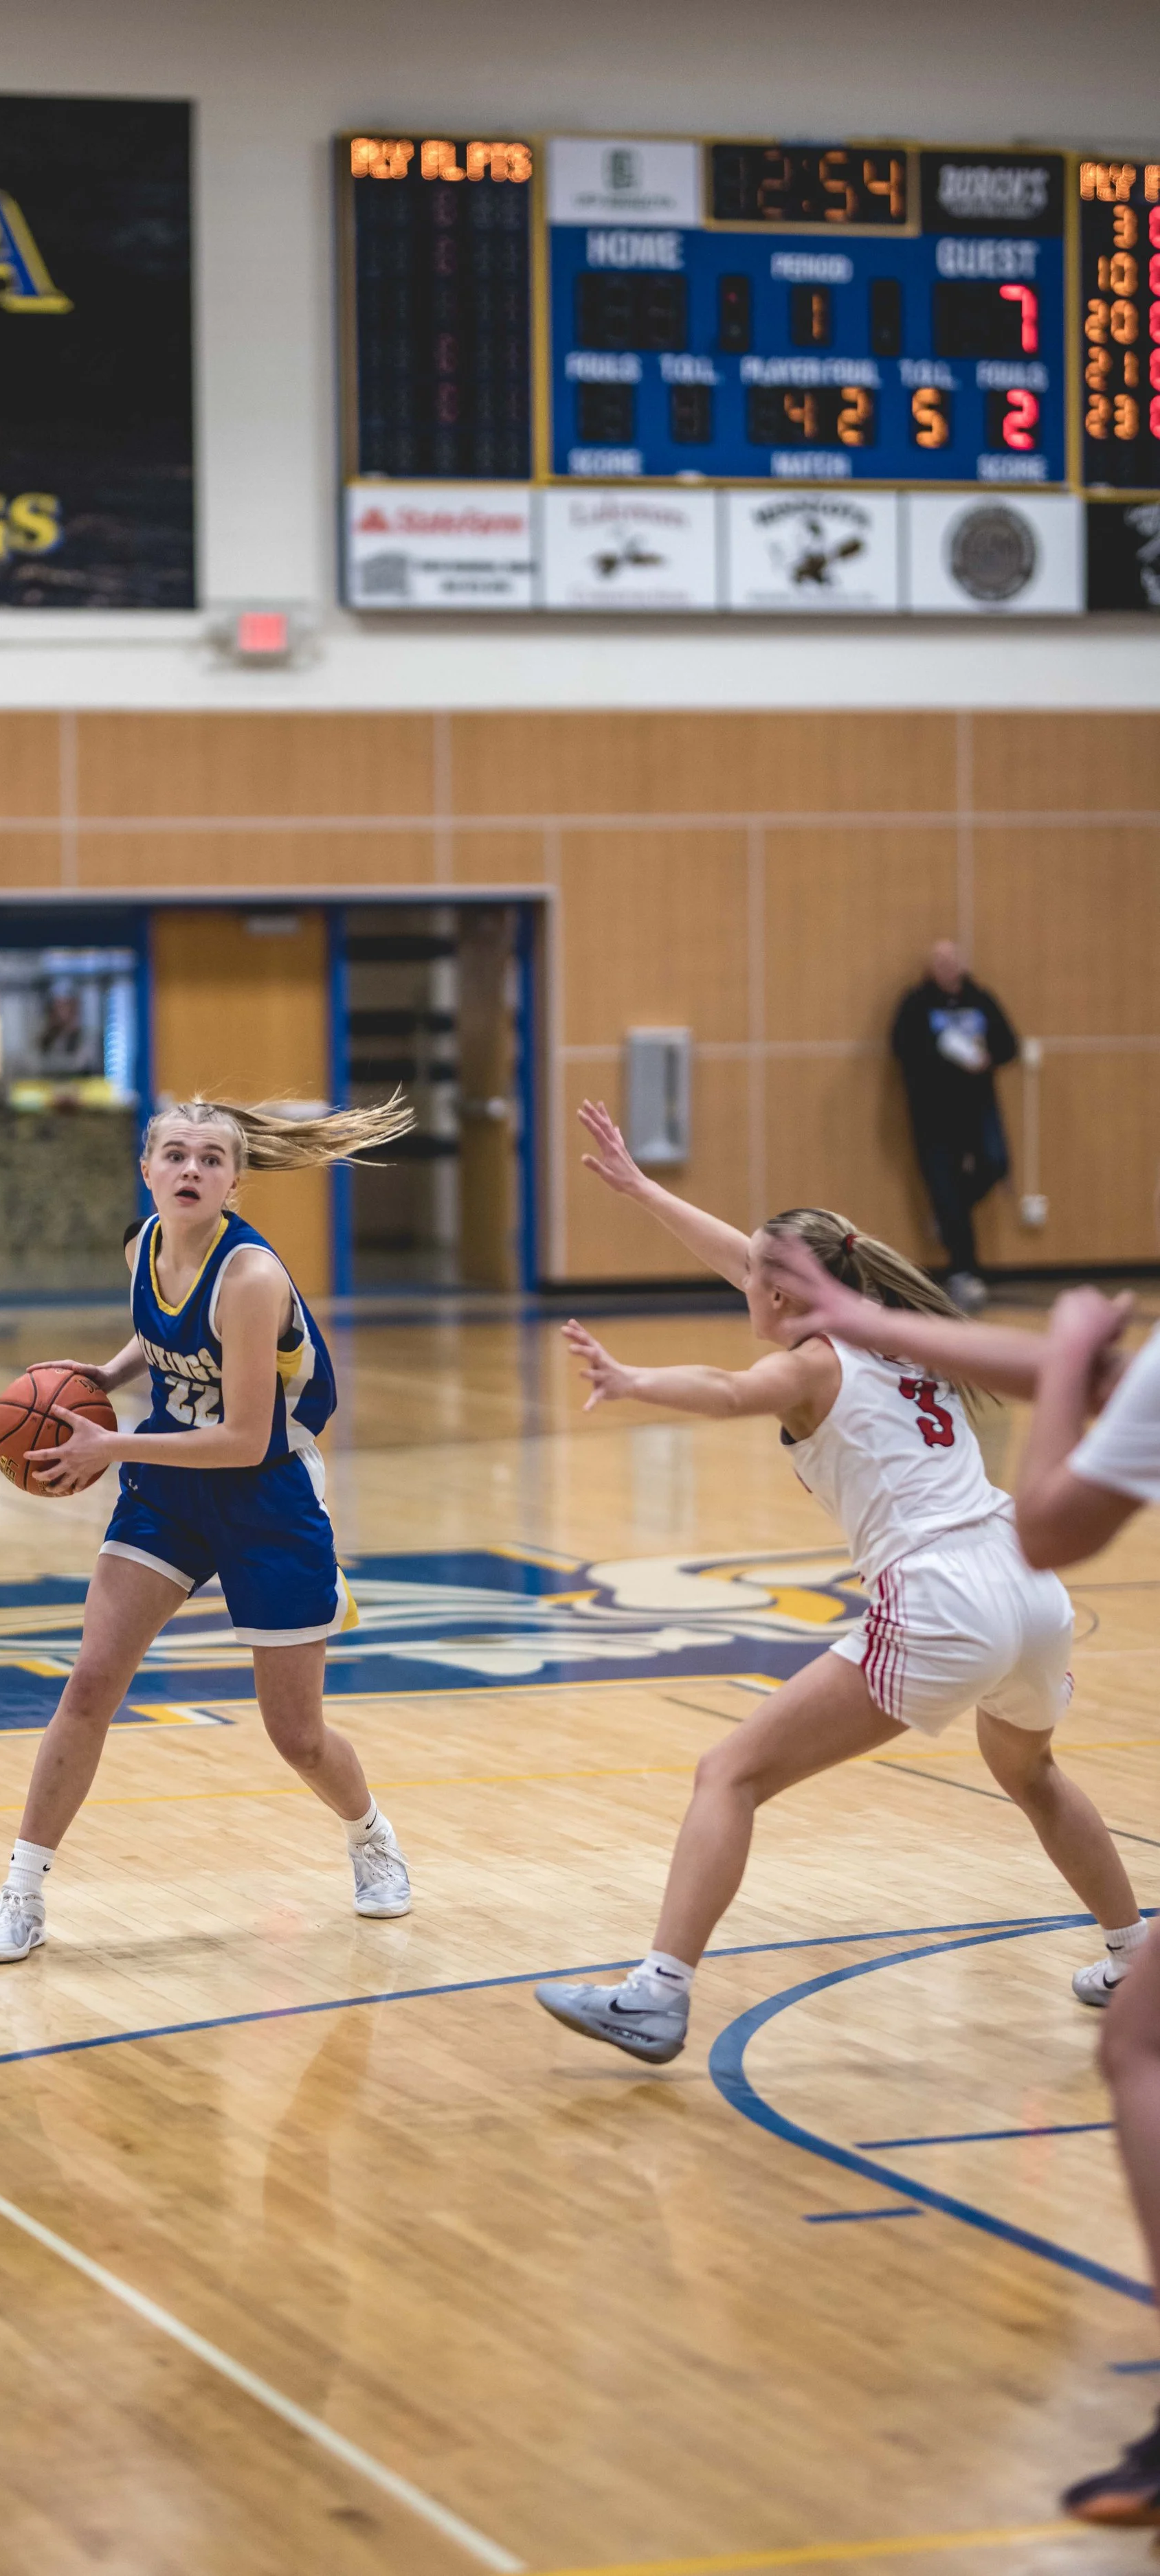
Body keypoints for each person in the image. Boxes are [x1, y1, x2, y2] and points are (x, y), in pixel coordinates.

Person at [531, 1100, 1139, 2066]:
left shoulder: (810, 1366)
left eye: (754, 1279)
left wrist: (635, 1380)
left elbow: (731, 1390)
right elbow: (749, 1260)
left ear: (782, 1293)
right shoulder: (899, 1330)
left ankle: (656, 1994)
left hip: (941, 1597)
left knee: (728, 1773)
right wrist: (644, 1191)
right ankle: (1136, 1957)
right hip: (1029, 1587)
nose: (740, 1282)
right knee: (1031, 1772)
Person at [763, 1239, 1160, 2527]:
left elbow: (1052, 1516)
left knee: (1142, 2050)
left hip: (970, 1579)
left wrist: (1066, 1364)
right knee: (1036, 1791)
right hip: (1006, 1602)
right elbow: (1043, 1364)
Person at [0, 1092, 415, 1964]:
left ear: (234, 1184)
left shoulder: (251, 1279)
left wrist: (109, 1443)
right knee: (90, 1684)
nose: (190, 1170)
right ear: (147, 1170)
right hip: (170, 1486)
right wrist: (109, 1374)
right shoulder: (143, 1246)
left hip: (266, 1497)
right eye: (174, 1154)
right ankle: (21, 1892)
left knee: (296, 1735)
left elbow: (245, 1439)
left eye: (211, 1159)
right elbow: (161, 1331)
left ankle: (370, 1835)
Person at [891, 937, 1019, 1313]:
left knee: (995, 1164)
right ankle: (965, 1272)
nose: (947, 969)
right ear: (931, 968)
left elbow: (1009, 1044)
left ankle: (949, 1221)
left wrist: (986, 1055)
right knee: (944, 1187)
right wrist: (942, 1054)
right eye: (940, 963)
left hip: (978, 1107)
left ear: (963, 965)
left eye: (952, 962)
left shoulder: (981, 999)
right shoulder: (917, 1003)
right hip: (933, 1111)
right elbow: (902, 1047)